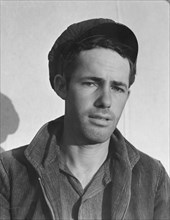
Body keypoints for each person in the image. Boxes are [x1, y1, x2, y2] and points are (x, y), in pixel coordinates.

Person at [0, 18, 169, 220]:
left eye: (117, 88)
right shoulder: (8, 172)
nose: (106, 100)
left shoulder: (153, 177)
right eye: (91, 83)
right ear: (62, 86)